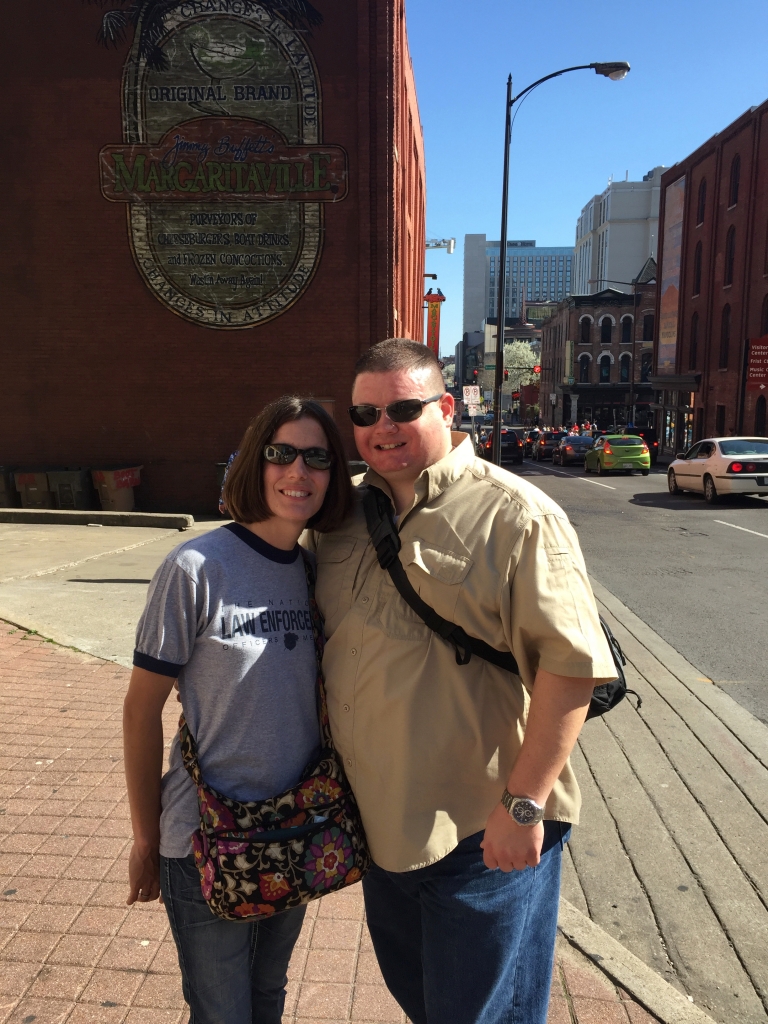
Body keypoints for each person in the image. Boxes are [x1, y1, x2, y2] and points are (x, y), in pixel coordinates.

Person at [306, 340, 615, 1024]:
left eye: (403, 409)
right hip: (381, 829)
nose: (382, 427)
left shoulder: (518, 515)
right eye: (365, 413)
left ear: (446, 408)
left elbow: (572, 669)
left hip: (482, 833)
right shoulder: (340, 519)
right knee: (424, 1002)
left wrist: (524, 805)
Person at [123, 396, 352, 1024]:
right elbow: (140, 711)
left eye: (317, 458)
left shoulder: (315, 574)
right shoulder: (195, 569)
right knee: (221, 1010)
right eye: (282, 453)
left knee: (268, 994)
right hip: (205, 838)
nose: (299, 471)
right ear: (256, 462)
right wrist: (145, 837)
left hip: (293, 831)